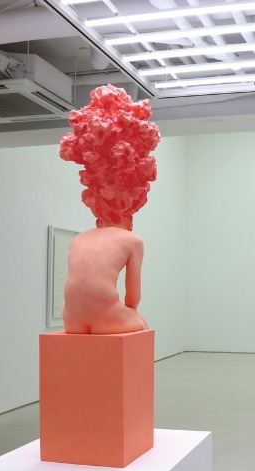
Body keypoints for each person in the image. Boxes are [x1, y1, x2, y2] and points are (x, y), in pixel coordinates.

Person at [58, 85, 160, 334]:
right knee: (141, 324)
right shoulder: (131, 240)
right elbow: (133, 298)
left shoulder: (78, 240)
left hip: (71, 321)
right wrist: (130, 310)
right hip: (107, 318)